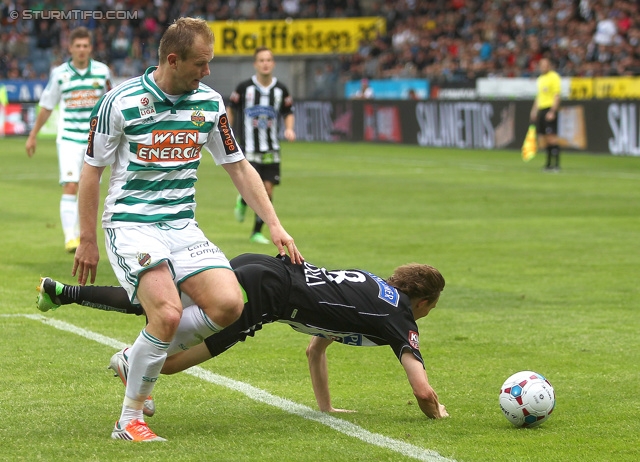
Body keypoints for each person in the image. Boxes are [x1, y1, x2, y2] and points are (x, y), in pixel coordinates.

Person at [73, 18, 303, 442]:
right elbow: (91, 173)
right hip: (131, 223)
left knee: (230, 305)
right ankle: (129, 421)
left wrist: (275, 224)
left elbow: (237, 165)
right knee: (166, 312)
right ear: (173, 59)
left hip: (182, 225)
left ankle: (133, 359)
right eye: (201, 63)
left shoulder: (210, 104)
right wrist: (87, 238)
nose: (208, 71)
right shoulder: (119, 102)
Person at [38, 253, 448, 420]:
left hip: (262, 267)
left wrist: (327, 408)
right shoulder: (397, 317)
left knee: (159, 302)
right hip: (268, 297)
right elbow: (424, 393)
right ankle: (132, 362)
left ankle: (63, 292)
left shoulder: (374, 288)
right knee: (177, 359)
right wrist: (439, 413)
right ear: (424, 301)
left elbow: (315, 347)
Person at [25, 27, 112, 253]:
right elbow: (46, 105)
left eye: (85, 46)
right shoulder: (60, 74)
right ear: (70, 48)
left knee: (89, 187)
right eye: (78, 46)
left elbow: (112, 104)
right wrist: (33, 135)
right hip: (69, 140)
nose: (82, 50)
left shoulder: (102, 72)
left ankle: (86, 236)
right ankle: (70, 237)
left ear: (90, 48)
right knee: (71, 185)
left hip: (95, 140)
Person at [228, 47, 296, 245]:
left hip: (271, 149)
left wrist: (289, 129)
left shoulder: (281, 89)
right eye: (261, 60)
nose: (265, 63)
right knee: (253, 187)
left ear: (273, 64)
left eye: (268, 60)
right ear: (255, 64)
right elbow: (230, 109)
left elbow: (288, 111)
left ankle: (256, 232)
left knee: (268, 191)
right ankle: (243, 200)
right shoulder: (244, 88)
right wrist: (227, 130)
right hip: (248, 148)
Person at [529, 57, 562, 172]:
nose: (543, 67)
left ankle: (556, 164)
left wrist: (553, 111)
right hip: (542, 109)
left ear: (549, 66)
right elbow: (539, 96)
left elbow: (556, 95)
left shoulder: (554, 77)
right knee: (544, 139)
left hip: (549, 108)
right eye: (541, 65)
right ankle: (548, 164)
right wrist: (534, 110)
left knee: (552, 137)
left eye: (545, 65)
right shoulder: (540, 78)